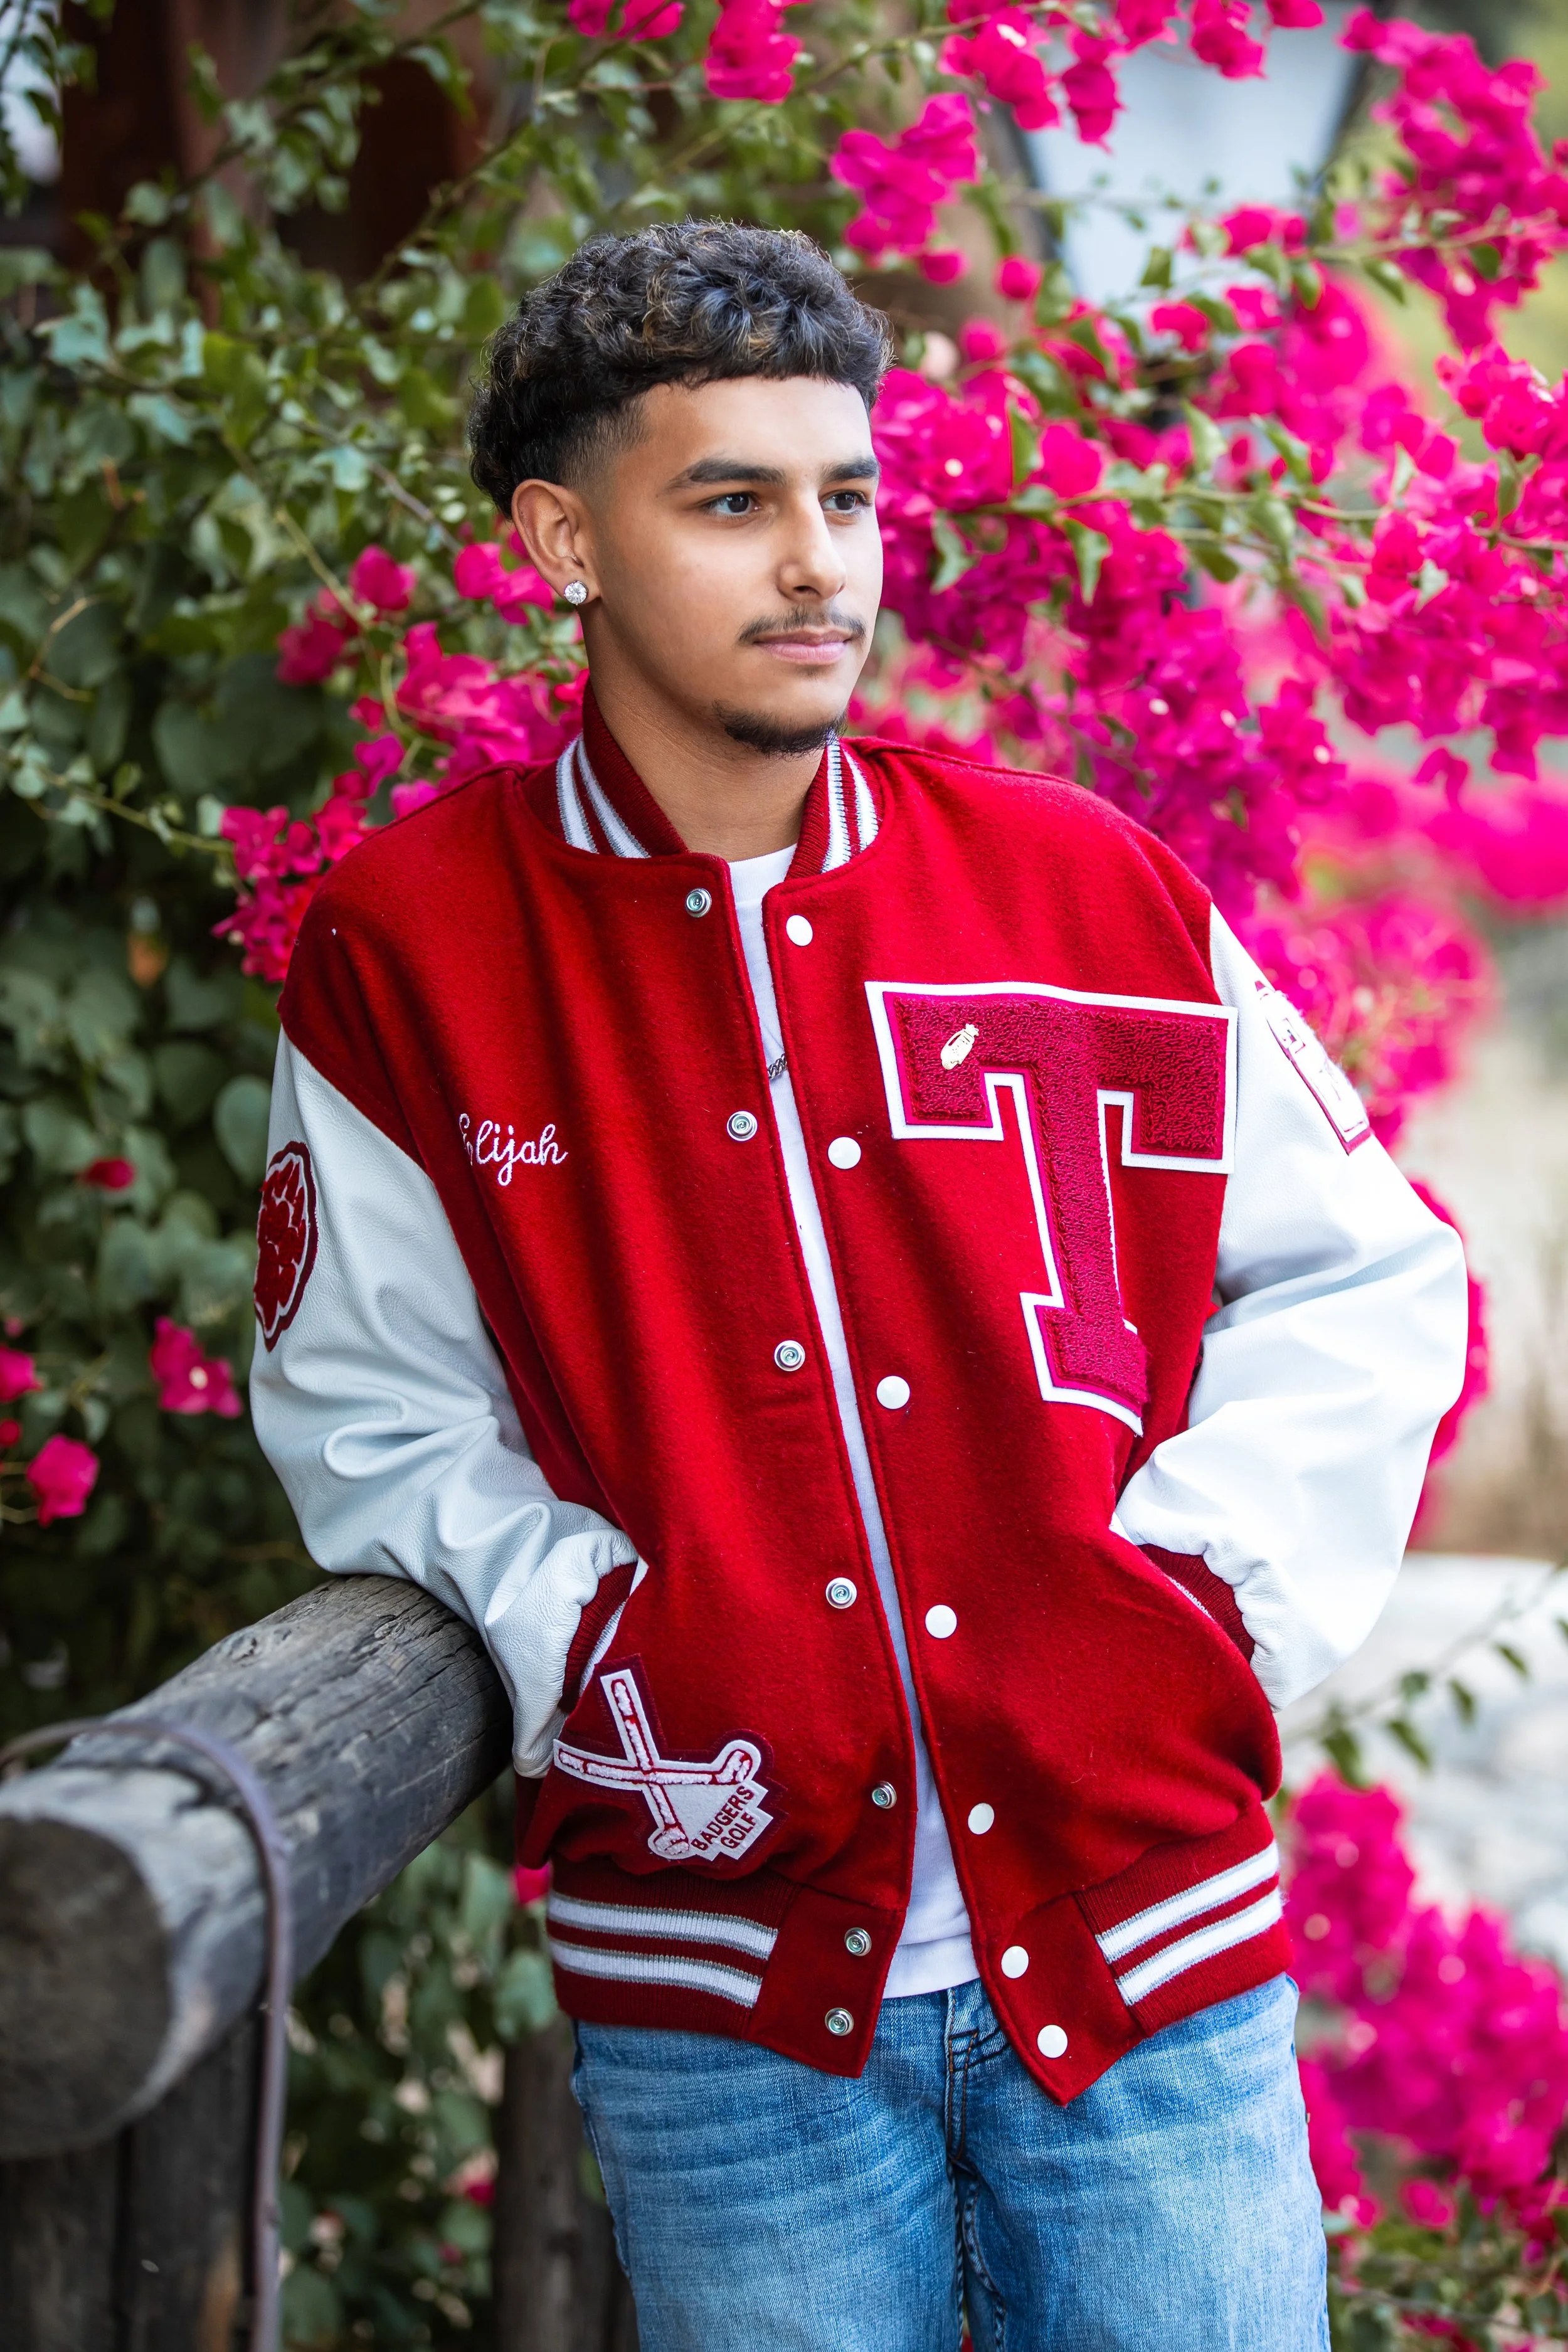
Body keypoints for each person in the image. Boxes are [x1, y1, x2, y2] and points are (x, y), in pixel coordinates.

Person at [252, 220, 1468, 2351]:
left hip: (1148, 1958)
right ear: (562, 537)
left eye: (847, 496)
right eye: (730, 502)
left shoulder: (1082, 887)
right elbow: (372, 1405)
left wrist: (1196, 1600)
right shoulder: (411, 951)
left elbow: (1365, 1278)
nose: (817, 562)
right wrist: (601, 1638)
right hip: (734, 2014)